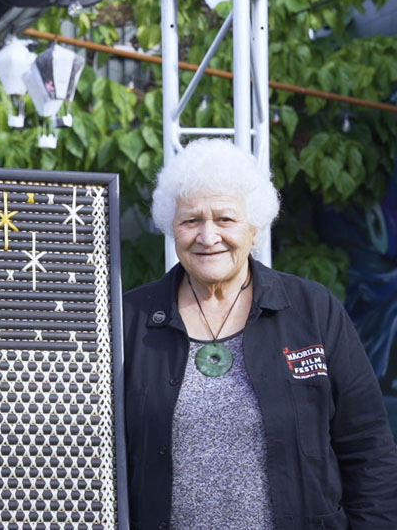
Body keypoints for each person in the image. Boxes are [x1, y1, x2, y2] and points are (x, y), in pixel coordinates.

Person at [122, 138, 397, 529]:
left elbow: (369, 450)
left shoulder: (313, 309)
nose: (208, 236)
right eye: (190, 221)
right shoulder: (130, 319)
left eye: (225, 219)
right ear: (171, 228)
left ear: (255, 228)